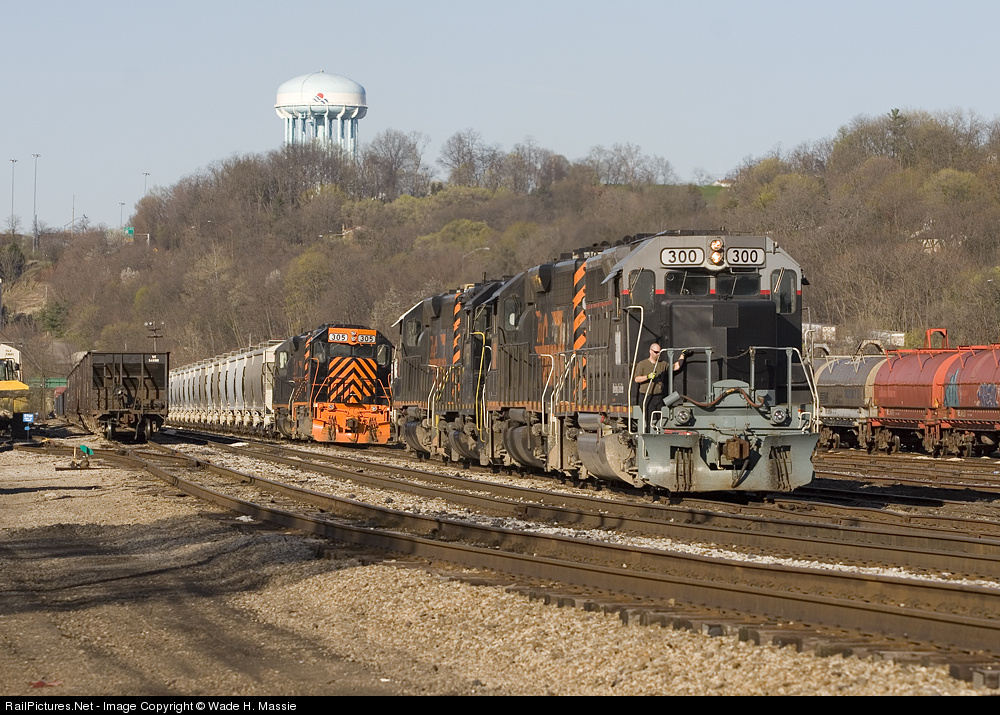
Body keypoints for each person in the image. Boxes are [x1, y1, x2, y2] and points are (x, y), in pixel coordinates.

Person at [634, 343, 686, 431]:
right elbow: (636, 379)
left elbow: (676, 366)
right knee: (649, 419)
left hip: (659, 397)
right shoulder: (642, 364)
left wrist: (683, 355)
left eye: (659, 352)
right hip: (647, 397)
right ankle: (648, 434)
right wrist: (648, 377)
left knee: (660, 419)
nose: (658, 354)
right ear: (650, 351)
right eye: (656, 352)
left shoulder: (662, 364)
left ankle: (659, 434)